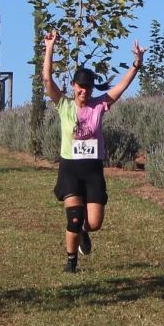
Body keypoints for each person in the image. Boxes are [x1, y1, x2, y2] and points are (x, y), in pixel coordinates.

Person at [43, 31, 144, 273]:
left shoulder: (99, 105)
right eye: (80, 87)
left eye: (88, 87)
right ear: (73, 86)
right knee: (74, 217)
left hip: (93, 171)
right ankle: (71, 264)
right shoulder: (64, 105)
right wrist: (50, 47)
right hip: (70, 169)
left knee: (94, 223)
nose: (84, 91)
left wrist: (136, 64)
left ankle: (83, 233)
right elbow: (47, 79)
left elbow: (121, 87)